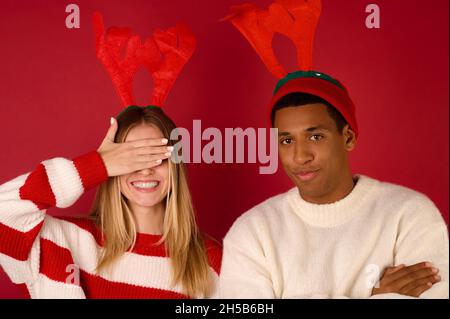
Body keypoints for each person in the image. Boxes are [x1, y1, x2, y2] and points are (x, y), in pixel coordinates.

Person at [219, 0, 448, 299]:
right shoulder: (252, 232)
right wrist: (375, 295)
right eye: (287, 140)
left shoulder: (409, 215)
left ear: (348, 137)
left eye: (315, 137)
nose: (300, 156)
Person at [0, 13, 221, 299]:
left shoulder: (211, 261)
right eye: (130, 157)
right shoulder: (61, 241)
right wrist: (97, 164)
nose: (144, 170)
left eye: (157, 155)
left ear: (176, 166)